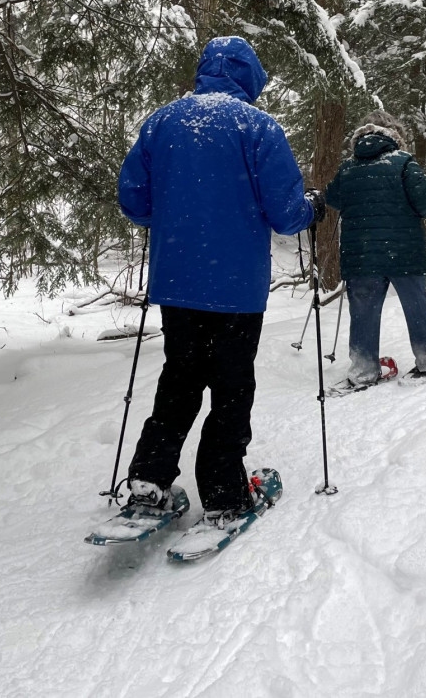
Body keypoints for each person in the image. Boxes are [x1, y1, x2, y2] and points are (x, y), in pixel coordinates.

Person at [116, 36, 323, 525]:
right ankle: (225, 493)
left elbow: (134, 203)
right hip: (235, 288)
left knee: (179, 380)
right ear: (250, 78)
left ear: (205, 70)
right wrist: (312, 208)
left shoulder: (162, 123)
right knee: (232, 385)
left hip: (179, 284)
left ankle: (149, 481)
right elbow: (287, 213)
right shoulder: (258, 127)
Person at [325, 111, 426, 392]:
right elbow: (425, 205)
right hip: (404, 253)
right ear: (395, 135)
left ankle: (363, 370)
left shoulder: (348, 168)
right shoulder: (405, 163)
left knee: (363, 314)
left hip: (361, 256)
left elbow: (333, 198)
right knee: (415, 306)